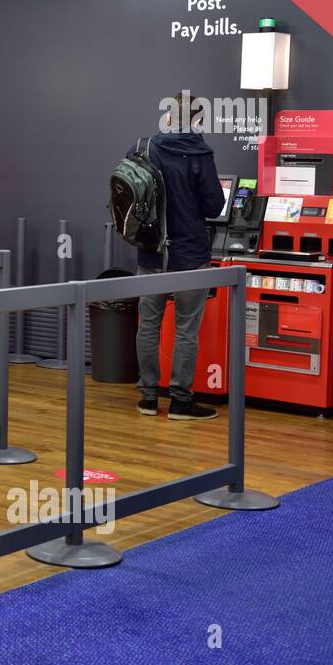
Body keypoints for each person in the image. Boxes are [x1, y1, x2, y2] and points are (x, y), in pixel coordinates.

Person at [132, 93, 228, 421]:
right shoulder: (201, 154)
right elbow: (215, 205)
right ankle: (180, 401)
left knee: (148, 325)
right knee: (186, 328)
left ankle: (147, 398)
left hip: (151, 253)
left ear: (169, 117)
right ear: (198, 120)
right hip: (189, 253)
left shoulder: (145, 148)